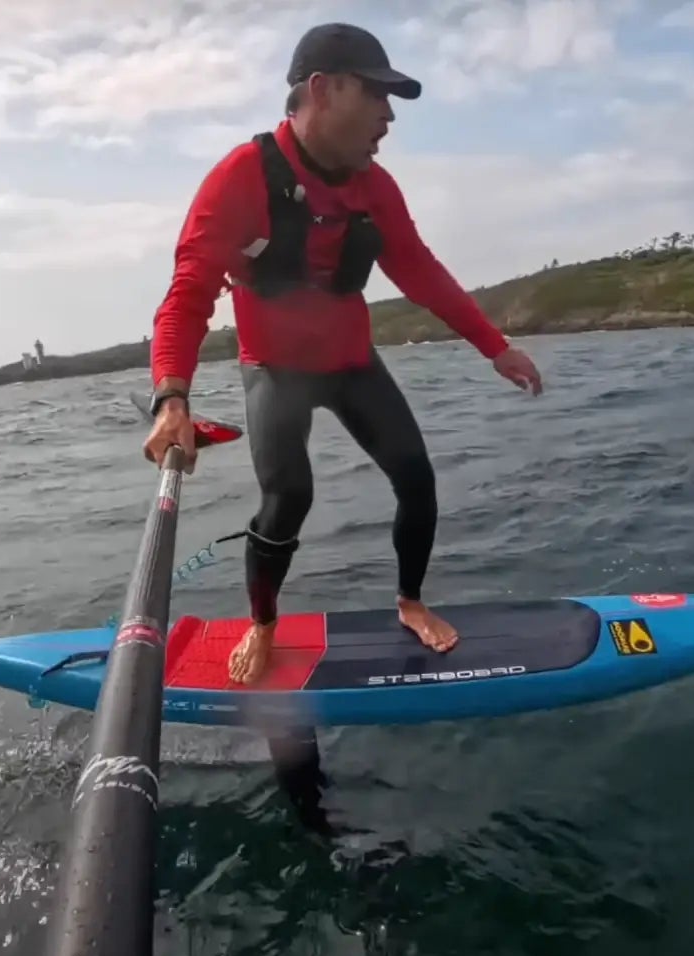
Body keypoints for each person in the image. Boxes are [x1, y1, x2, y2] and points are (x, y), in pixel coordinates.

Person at [141, 22, 543, 692]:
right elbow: (187, 297)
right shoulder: (242, 180)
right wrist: (172, 399)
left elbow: (421, 272)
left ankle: (410, 600)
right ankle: (264, 623)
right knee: (289, 495)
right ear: (322, 91)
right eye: (376, 95)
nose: (388, 116)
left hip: (352, 362)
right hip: (275, 367)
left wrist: (494, 347)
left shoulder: (375, 188)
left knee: (416, 475)